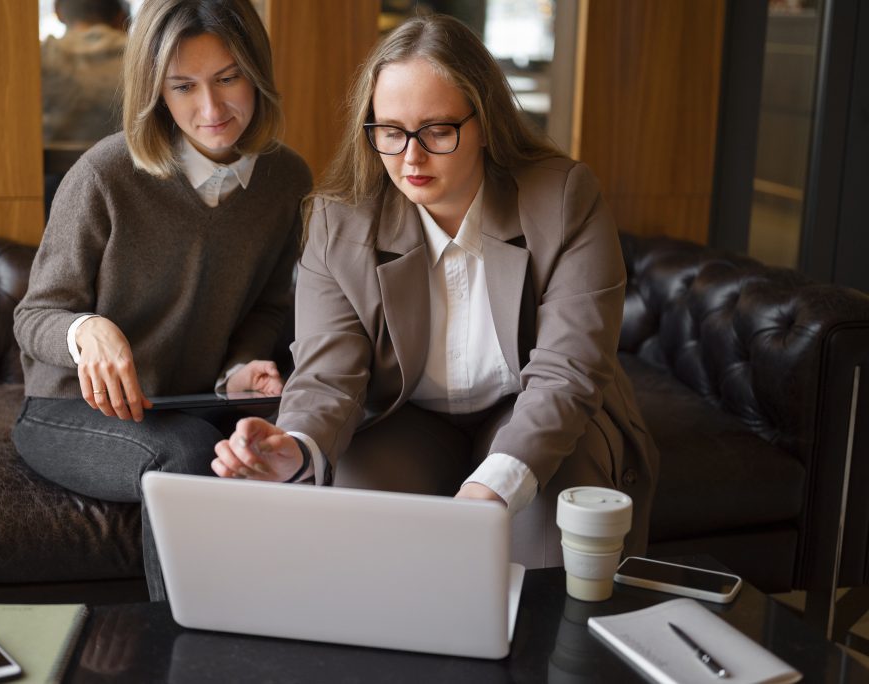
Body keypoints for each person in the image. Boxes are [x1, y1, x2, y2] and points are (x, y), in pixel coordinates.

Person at [211, 14, 658, 564]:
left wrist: (493, 487)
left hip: (539, 410)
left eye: (438, 131)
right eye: (390, 132)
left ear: (486, 122)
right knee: (364, 541)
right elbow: (329, 375)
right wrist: (297, 447)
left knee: (539, 550)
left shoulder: (562, 197)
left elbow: (568, 373)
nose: (410, 158)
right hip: (408, 417)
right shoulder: (338, 221)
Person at [12, 0, 312, 600]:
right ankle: (181, 652)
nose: (211, 109)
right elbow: (33, 316)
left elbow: (268, 307)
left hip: (191, 400)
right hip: (70, 411)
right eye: (184, 86)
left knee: (300, 445)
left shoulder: (287, 181)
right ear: (156, 90)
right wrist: (87, 330)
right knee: (188, 454)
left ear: (256, 70)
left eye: (229, 78)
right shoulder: (105, 174)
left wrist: (241, 368)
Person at [41, 0, 129, 143]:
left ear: (57, 11)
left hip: (48, 164)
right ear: (120, 15)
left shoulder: (40, 57)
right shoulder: (142, 55)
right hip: (126, 163)